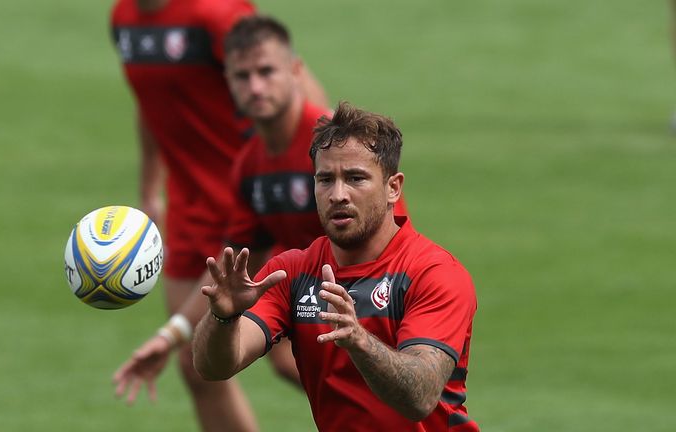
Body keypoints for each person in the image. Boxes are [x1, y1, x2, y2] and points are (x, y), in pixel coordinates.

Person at [193, 102, 479, 431]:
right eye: (325, 179)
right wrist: (222, 318)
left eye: (355, 178)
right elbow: (213, 368)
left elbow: (419, 397)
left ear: (393, 188)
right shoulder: (293, 273)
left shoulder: (433, 273)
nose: (337, 194)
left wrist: (359, 340)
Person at [109, 4, 328, 430]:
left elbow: (282, 74)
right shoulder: (123, 19)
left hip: (260, 198)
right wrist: (148, 189)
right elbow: (153, 102)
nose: (254, 85)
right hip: (195, 210)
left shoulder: (216, 13)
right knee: (199, 363)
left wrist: (320, 161)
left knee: (295, 358)